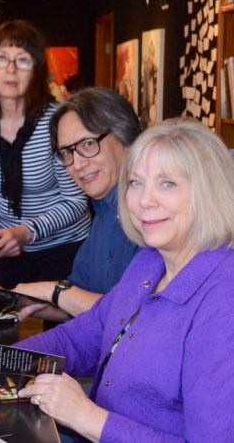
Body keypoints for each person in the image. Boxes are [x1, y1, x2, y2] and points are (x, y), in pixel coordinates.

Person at [14, 118, 234, 441]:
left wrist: (88, 417)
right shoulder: (152, 259)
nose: (144, 201)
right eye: (136, 182)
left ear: (209, 193)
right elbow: (84, 337)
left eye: (167, 183)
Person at [0, 20, 90, 289]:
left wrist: (27, 232)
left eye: (23, 60)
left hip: (64, 243)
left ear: (37, 72)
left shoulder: (59, 121)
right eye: (2, 58)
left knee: (63, 328)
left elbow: (75, 201)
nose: (11, 69)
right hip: (7, 241)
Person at [10, 87, 141, 322]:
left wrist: (55, 291)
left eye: (88, 144)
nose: (77, 164)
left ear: (126, 138)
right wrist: (27, 302)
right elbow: (80, 304)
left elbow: (130, 317)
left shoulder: (152, 216)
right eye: (67, 152)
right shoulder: (102, 213)